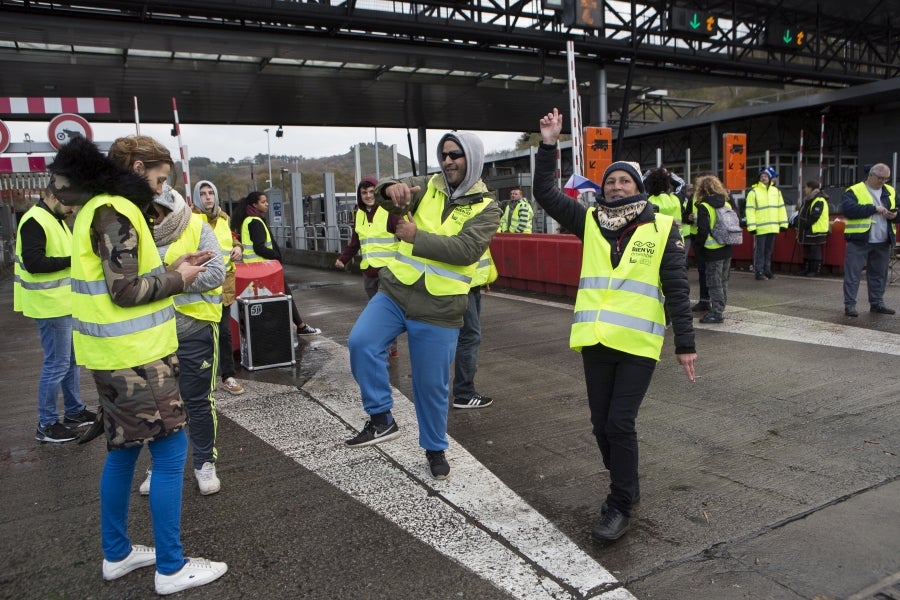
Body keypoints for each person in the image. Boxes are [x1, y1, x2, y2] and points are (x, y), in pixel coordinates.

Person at [48, 135, 227, 594]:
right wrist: (179, 279)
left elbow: (122, 275)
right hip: (137, 359)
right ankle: (171, 567)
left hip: (112, 357)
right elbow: (123, 291)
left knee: (124, 452)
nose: (161, 188)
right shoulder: (117, 210)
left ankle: (117, 553)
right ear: (137, 165)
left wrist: (174, 265)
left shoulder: (95, 207)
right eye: (160, 178)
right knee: (170, 454)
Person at [534, 108, 696, 543]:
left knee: (620, 423)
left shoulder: (663, 227)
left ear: (639, 188)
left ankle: (621, 502)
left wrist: (686, 343)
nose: (617, 186)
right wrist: (549, 144)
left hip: (639, 343)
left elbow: (677, 289)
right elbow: (546, 194)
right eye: (610, 181)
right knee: (601, 425)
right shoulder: (589, 221)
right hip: (595, 340)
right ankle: (627, 481)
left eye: (625, 181)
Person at [344, 131, 501, 481]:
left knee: (430, 386)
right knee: (361, 343)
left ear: (472, 159)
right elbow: (391, 191)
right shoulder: (428, 185)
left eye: (456, 155)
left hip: (440, 306)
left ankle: (434, 447)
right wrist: (390, 189)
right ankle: (382, 418)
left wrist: (417, 238)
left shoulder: (488, 208)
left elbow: (465, 251)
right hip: (396, 291)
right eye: (444, 154)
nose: (448, 161)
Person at [140, 183, 226, 496]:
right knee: (159, 405)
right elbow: (132, 282)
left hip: (195, 330)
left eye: (158, 213)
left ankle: (204, 462)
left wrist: (168, 282)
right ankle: (158, 466)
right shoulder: (139, 234)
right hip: (154, 334)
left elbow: (216, 273)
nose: (154, 219)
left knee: (198, 401)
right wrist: (172, 276)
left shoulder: (197, 227)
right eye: (150, 214)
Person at [14, 190, 96, 443]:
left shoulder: (56, 219)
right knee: (57, 364)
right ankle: (47, 423)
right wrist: (72, 261)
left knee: (69, 361)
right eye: (70, 203)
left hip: (62, 304)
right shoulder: (35, 220)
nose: (73, 210)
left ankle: (74, 411)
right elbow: (34, 262)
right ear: (54, 195)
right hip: (49, 306)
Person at [232, 191, 321, 338]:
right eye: (263, 202)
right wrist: (275, 256)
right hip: (264, 269)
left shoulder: (250, 220)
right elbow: (259, 247)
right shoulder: (255, 221)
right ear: (254, 205)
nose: (266, 204)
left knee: (278, 298)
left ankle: (298, 326)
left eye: (266, 201)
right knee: (285, 295)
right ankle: (299, 327)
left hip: (256, 269)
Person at [335, 177, 403, 357]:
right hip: (369, 271)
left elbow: (405, 237)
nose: (368, 195)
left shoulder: (390, 211)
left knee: (383, 313)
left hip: (389, 271)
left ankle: (386, 349)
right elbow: (355, 241)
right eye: (364, 192)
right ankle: (392, 347)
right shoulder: (358, 214)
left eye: (372, 191)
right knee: (380, 311)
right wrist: (344, 258)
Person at [192, 180, 245, 394]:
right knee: (201, 334)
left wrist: (238, 248)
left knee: (223, 333)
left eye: (210, 193)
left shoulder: (224, 219)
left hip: (223, 285)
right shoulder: (189, 220)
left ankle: (228, 376)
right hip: (201, 285)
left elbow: (231, 240)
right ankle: (204, 377)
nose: (207, 197)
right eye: (203, 193)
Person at [841, 163, 898, 317]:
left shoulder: (890, 191)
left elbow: (898, 210)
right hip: (859, 240)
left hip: (882, 240)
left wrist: (895, 215)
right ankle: (850, 305)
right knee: (853, 274)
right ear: (871, 175)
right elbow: (848, 210)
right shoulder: (854, 190)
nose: (883, 182)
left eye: (886, 178)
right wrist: (873, 209)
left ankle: (877, 303)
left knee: (879, 274)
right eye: (880, 178)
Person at [451, 247, 497, 409]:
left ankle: (464, 392)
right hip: (462, 284)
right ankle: (464, 393)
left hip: (471, 282)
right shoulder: (465, 220)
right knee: (469, 337)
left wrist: (484, 278)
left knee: (468, 337)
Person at [692, 175, 735, 324]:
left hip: (712, 251)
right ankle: (720, 308)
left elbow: (703, 231)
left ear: (701, 190)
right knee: (723, 281)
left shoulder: (704, 206)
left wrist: (697, 247)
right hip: (727, 248)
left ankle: (716, 313)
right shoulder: (727, 204)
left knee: (714, 282)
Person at [745, 166, 788, 280]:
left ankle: (767, 270)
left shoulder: (776, 192)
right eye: (762, 176)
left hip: (772, 227)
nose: (763, 178)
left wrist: (783, 224)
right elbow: (750, 210)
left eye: (766, 176)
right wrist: (752, 226)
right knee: (760, 251)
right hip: (760, 228)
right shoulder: (754, 192)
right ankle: (759, 271)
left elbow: (781, 208)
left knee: (768, 251)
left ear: (770, 178)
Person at [793, 181, 830, 277]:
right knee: (807, 250)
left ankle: (815, 270)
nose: (805, 189)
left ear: (811, 188)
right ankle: (807, 269)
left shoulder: (819, 200)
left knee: (815, 250)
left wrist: (804, 225)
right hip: (808, 229)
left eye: (806, 187)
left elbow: (814, 216)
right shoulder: (808, 200)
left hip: (816, 229)